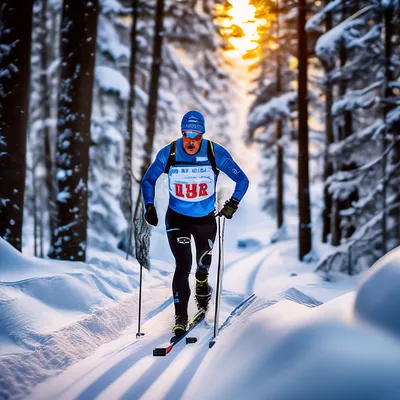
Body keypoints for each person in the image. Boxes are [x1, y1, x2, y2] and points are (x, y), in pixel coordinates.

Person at [141, 110, 249, 337]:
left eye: (197, 136)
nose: (191, 141)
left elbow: (242, 179)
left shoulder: (214, 152)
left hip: (205, 221)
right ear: (182, 133)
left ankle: (202, 283)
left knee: (202, 264)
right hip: (177, 218)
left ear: (203, 135)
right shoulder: (169, 153)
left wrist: (233, 203)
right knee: (183, 265)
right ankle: (180, 317)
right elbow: (149, 179)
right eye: (187, 135)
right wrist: (149, 206)